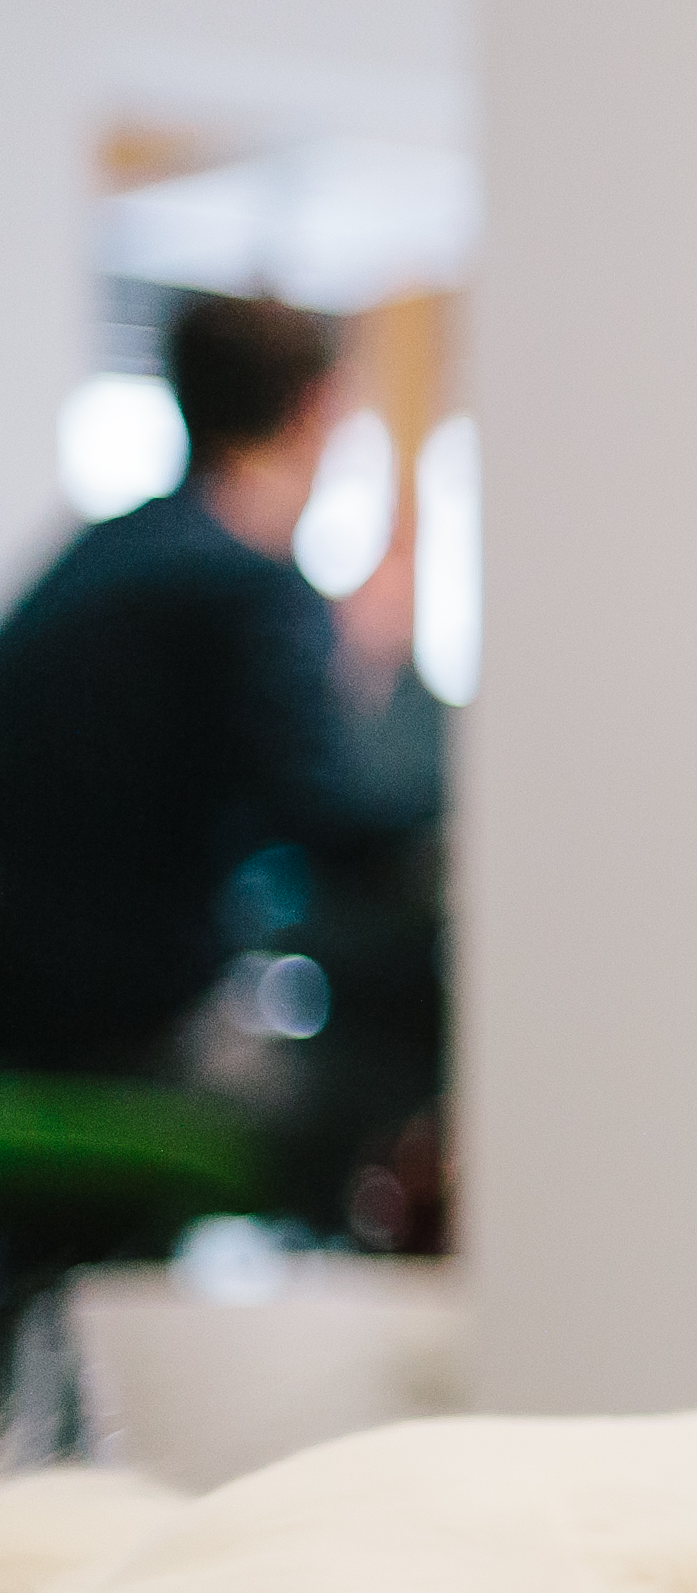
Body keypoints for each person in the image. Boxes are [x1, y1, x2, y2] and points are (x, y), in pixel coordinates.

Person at [0, 295, 438, 1081]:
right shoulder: (247, 586)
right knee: (373, 1084)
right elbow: (332, 828)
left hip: (28, 1005)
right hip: (104, 1029)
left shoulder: (114, 547)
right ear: (320, 409)